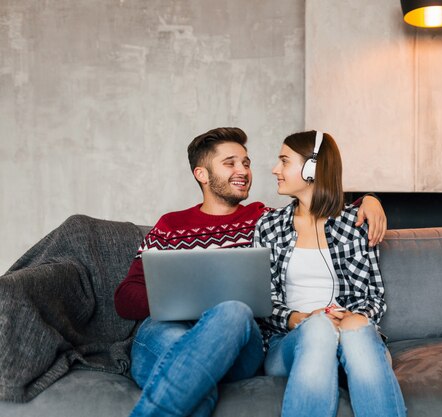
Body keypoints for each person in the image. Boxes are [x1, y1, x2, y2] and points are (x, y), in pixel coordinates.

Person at [114, 127, 388, 417]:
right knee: (192, 375)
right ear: (202, 175)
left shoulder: (262, 219)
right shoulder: (170, 226)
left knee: (233, 311)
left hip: (238, 338)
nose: (243, 170)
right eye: (230, 163)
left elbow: (319, 211)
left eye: (246, 162)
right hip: (170, 330)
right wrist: (187, 300)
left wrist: (369, 200)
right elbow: (125, 297)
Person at [254, 130, 406, 417]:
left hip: (351, 339)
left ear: (313, 168)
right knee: (319, 328)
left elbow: (372, 298)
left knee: (355, 331)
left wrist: (348, 318)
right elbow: (262, 300)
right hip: (289, 344)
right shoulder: (269, 225)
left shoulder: (354, 224)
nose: (275, 169)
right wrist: (300, 318)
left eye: (284, 161)